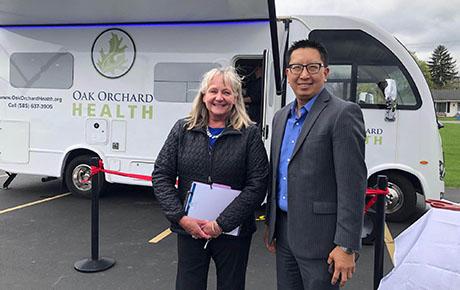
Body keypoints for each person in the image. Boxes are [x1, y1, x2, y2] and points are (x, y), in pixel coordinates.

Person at [153, 66, 268, 290]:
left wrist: (221, 224)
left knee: (232, 286)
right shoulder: (183, 129)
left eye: (226, 92)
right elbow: (161, 175)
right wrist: (181, 218)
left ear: (236, 98)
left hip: (233, 232)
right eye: (213, 91)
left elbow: (257, 185)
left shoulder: (250, 134)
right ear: (203, 96)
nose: (219, 97)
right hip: (190, 229)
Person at [264, 39, 367, 290]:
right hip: (285, 233)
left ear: (326, 72)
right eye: (297, 68)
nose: (304, 75)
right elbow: (277, 176)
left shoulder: (343, 114)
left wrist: (346, 246)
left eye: (312, 67)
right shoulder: (280, 117)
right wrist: (272, 224)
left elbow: (352, 185)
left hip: (323, 241)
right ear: (287, 74)